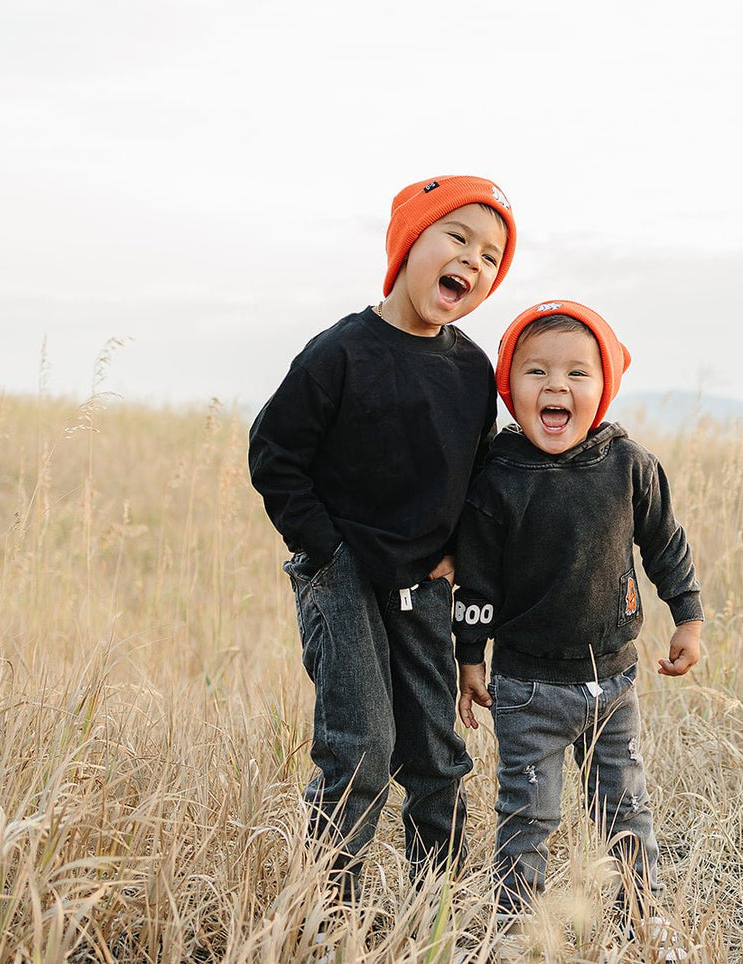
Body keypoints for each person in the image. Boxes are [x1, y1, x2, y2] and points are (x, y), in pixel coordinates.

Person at [248, 175, 515, 902]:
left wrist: (457, 555)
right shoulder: (340, 352)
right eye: (456, 237)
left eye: (491, 256)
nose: (473, 260)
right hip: (341, 577)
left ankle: (434, 909)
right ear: (408, 243)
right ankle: (325, 908)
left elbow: (476, 472)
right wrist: (327, 550)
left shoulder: (470, 371)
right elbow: (274, 454)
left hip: (423, 584)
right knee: (361, 746)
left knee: (435, 750)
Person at [453, 300, 702, 947]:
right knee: (527, 815)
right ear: (510, 388)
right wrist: (469, 656)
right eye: (535, 372)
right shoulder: (497, 477)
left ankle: (644, 913)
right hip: (526, 689)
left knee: (626, 808)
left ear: (604, 387)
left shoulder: (627, 466)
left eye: (576, 373)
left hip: (613, 683)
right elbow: (474, 579)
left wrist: (688, 616)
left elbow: (664, 544)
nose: (556, 385)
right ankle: (515, 928)